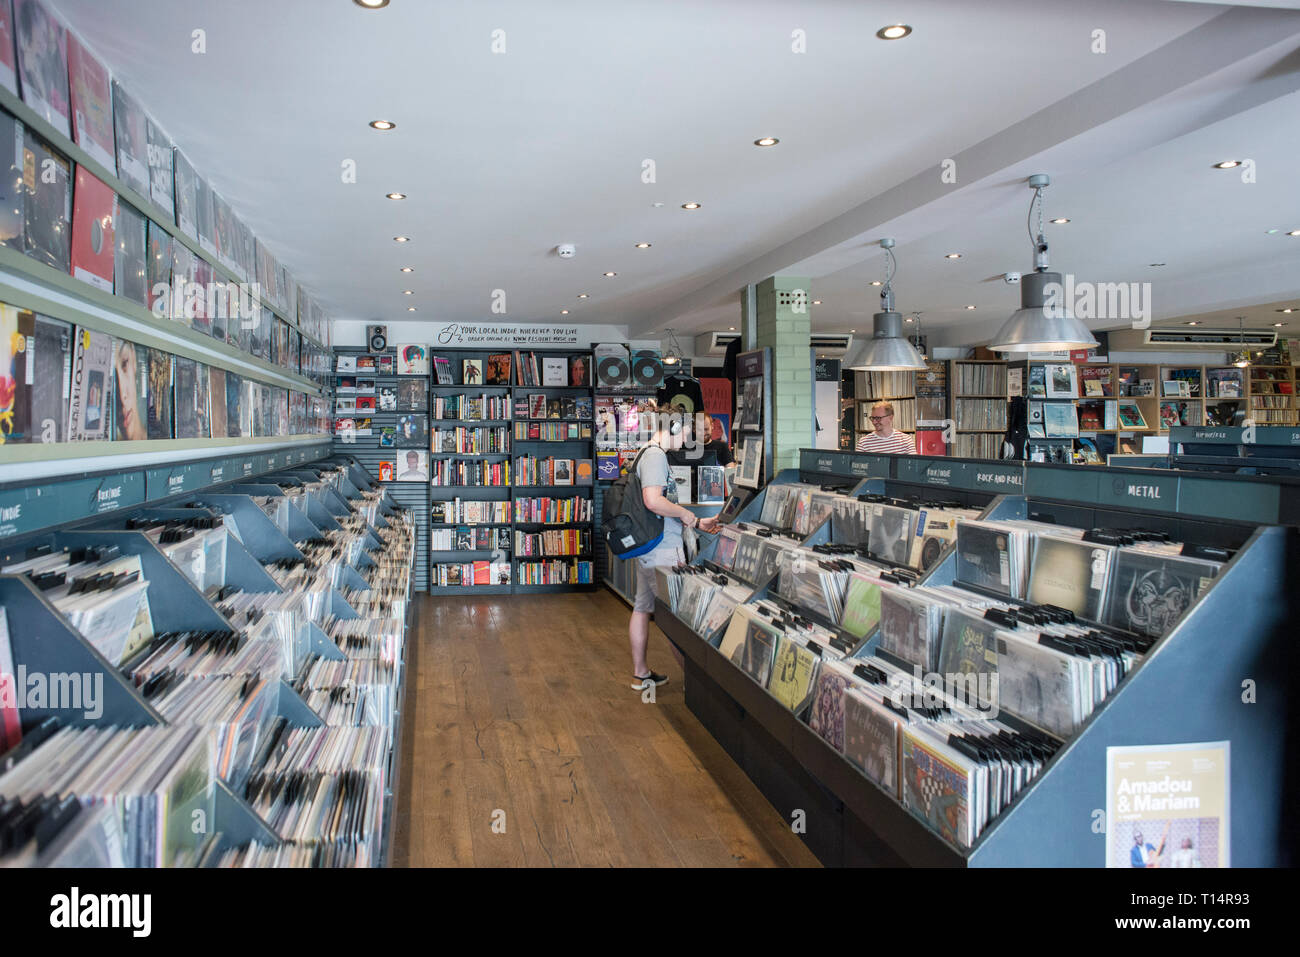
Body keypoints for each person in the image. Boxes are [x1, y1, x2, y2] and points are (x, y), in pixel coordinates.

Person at [628, 405, 721, 692]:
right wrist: (684, 514)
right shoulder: (656, 456)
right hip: (662, 549)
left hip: (651, 546)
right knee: (676, 614)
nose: (687, 440)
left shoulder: (647, 451)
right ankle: (696, 685)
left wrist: (696, 522)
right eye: (687, 433)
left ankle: (641, 673)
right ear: (674, 428)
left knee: (643, 607)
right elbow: (653, 501)